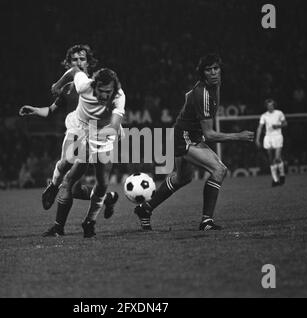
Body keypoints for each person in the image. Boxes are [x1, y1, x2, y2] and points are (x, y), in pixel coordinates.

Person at [133, 54, 254, 231]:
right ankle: (206, 221)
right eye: (208, 70)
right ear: (202, 73)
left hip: (186, 134)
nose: (213, 73)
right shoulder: (203, 94)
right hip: (186, 138)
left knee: (182, 178)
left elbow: (189, 97)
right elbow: (210, 135)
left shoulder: (214, 85)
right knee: (219, 170)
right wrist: (238, 136)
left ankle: (145, 209)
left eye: (216, 68)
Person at [19, 44, 118, 236]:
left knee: (74, 181)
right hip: (76, 133)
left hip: (97, 137)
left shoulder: (98, 86)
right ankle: (104, 200)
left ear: (89, 62)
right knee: (71, 184)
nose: (79, 63)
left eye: (82, 59)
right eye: (75, 60)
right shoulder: (67, 89)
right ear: (68, 63)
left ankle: (59, 207)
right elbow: (50, 111)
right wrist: (34, 109)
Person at [46, 66, 125, 238]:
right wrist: (58, 84)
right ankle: (53, 187)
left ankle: (89, 221)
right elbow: (74, 70)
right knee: (68, 174)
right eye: (102, 91)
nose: (105, 95)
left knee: (102, 183)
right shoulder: (84, 86)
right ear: (94, 85)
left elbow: (114, 125)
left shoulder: (119, 96)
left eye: (108, 92)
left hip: (102, 135)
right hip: (80, 130)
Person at [255, 99, 287, 186]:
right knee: (271, 160)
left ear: (274, 105)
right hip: (268, 138)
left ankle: (282, 175)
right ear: (266, 106)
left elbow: (285, 123)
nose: (270, 107)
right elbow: (260, 127)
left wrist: (278, 125)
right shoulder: (264, 116)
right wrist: (257, 139)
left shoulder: (279, 113)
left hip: (278, 136)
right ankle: (275, 180)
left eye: (271, 105)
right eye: (268, 105)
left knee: (277, 158)